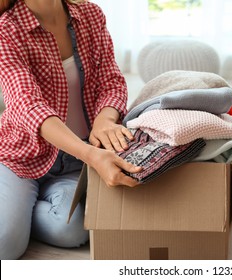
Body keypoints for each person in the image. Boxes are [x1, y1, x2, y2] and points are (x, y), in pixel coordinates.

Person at [0, 0, 142, 260]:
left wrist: (105, 121)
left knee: (71, 231)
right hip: (20, 156)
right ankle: (13, 212)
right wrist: (91, 154)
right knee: (5, 245)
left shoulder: (90, 14)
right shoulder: (6, 28)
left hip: (73, 161)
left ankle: (19, 210)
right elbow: (26, 103)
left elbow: (111, 80)